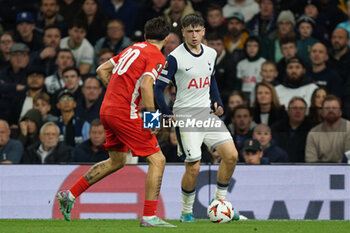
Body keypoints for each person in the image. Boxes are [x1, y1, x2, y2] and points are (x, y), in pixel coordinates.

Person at [56, 17, 176, 227]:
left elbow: (102, 70)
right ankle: (149, 216)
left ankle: (71, 194)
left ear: (146, 36)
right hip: (123, 112)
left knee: (117, 160)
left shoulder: (132, 48)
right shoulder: (157, 55)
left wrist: (119, 92)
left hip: (106, 110)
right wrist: (151, 118)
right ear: (166, 38)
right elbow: (148, 86)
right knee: (158, 160)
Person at [154, 14, 241, 222]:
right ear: (183, 32)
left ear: (204, 31)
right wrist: (167, 113)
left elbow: (211, 79)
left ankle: (219, 204)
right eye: (190, 31)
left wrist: (217, 100)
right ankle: (186, 212)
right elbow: (158, 88)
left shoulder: (211, 53)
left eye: (197, 30)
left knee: (231, 155)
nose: (194, 35)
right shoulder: (175, 57)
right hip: (185, 115)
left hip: (206, 114)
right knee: (193, 166)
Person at [305, 95, 350, 163]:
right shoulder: (313, 133)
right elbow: (311, 162)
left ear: (340, 112)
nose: (331, 110)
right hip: (320, 172)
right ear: (322, 112)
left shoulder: (348, 128)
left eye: (334, 108)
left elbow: (348, 159)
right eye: (327, 108)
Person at [271, 97, 313, 162]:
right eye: (294, 108)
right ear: (288, 111)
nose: (298, 111)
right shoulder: (276, 128)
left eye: (301, 108)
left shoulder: (311, 129)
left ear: (305, 112)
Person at [236, 36, 266, 104]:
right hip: (244, 93)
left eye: (255, 46)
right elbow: (238, 84)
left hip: (259, 92)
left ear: (259, 48)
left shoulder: (264, 63)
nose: (252, 48)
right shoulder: (241, 64)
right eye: (249, 46)